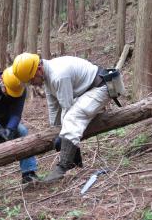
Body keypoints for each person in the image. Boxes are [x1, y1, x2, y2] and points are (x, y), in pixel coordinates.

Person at [12, 53, 114, 182]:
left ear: (39, 69)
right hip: (87, 91)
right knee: (68, 122)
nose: (32, 83)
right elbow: (53, 106)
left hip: (101, 88)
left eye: (31, 79)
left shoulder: (58, 75)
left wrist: (63, 135)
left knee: (73, 117)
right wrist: (55, 130)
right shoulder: (48, 76)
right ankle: (74, 159)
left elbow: (67, 108)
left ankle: (63, 165)